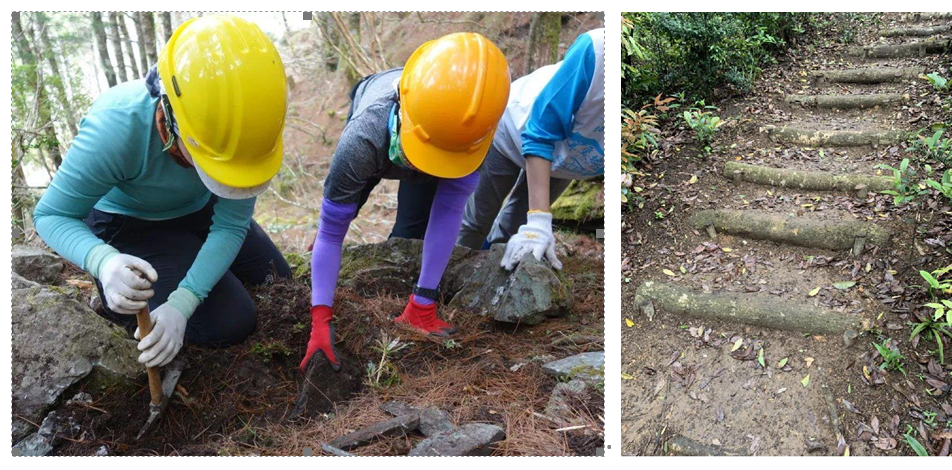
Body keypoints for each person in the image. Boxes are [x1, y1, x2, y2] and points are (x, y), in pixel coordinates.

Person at [32, 16, 291, 369]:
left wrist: (183, 302)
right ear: (170, 119)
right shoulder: (117, 128)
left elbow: (230, 226)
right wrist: (103, 261)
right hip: (131, 220)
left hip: (199, 207)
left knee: (276, 276)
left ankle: (185, 261)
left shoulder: (250, 126)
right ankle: (123, 300)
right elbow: (52, 215)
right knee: (231, 321)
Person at [300, 32, 510, 371]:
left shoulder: (473, 134)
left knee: (413, 227)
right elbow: (331, 231)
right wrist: (320, 319)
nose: (422, 169)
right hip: (387, 130)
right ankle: (328, 244)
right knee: (346, 207)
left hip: (436, 134)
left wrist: (424, 304)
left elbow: (449, 212)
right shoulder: (362, 139)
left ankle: (419, 304)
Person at [459, 28, 604, 270]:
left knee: (515, 223)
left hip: (565, 163)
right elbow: (541, 130)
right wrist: (539, 219)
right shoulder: (598, 50)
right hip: (514, 130)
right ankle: (452, 273)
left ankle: (492, 275)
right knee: (478, 220)